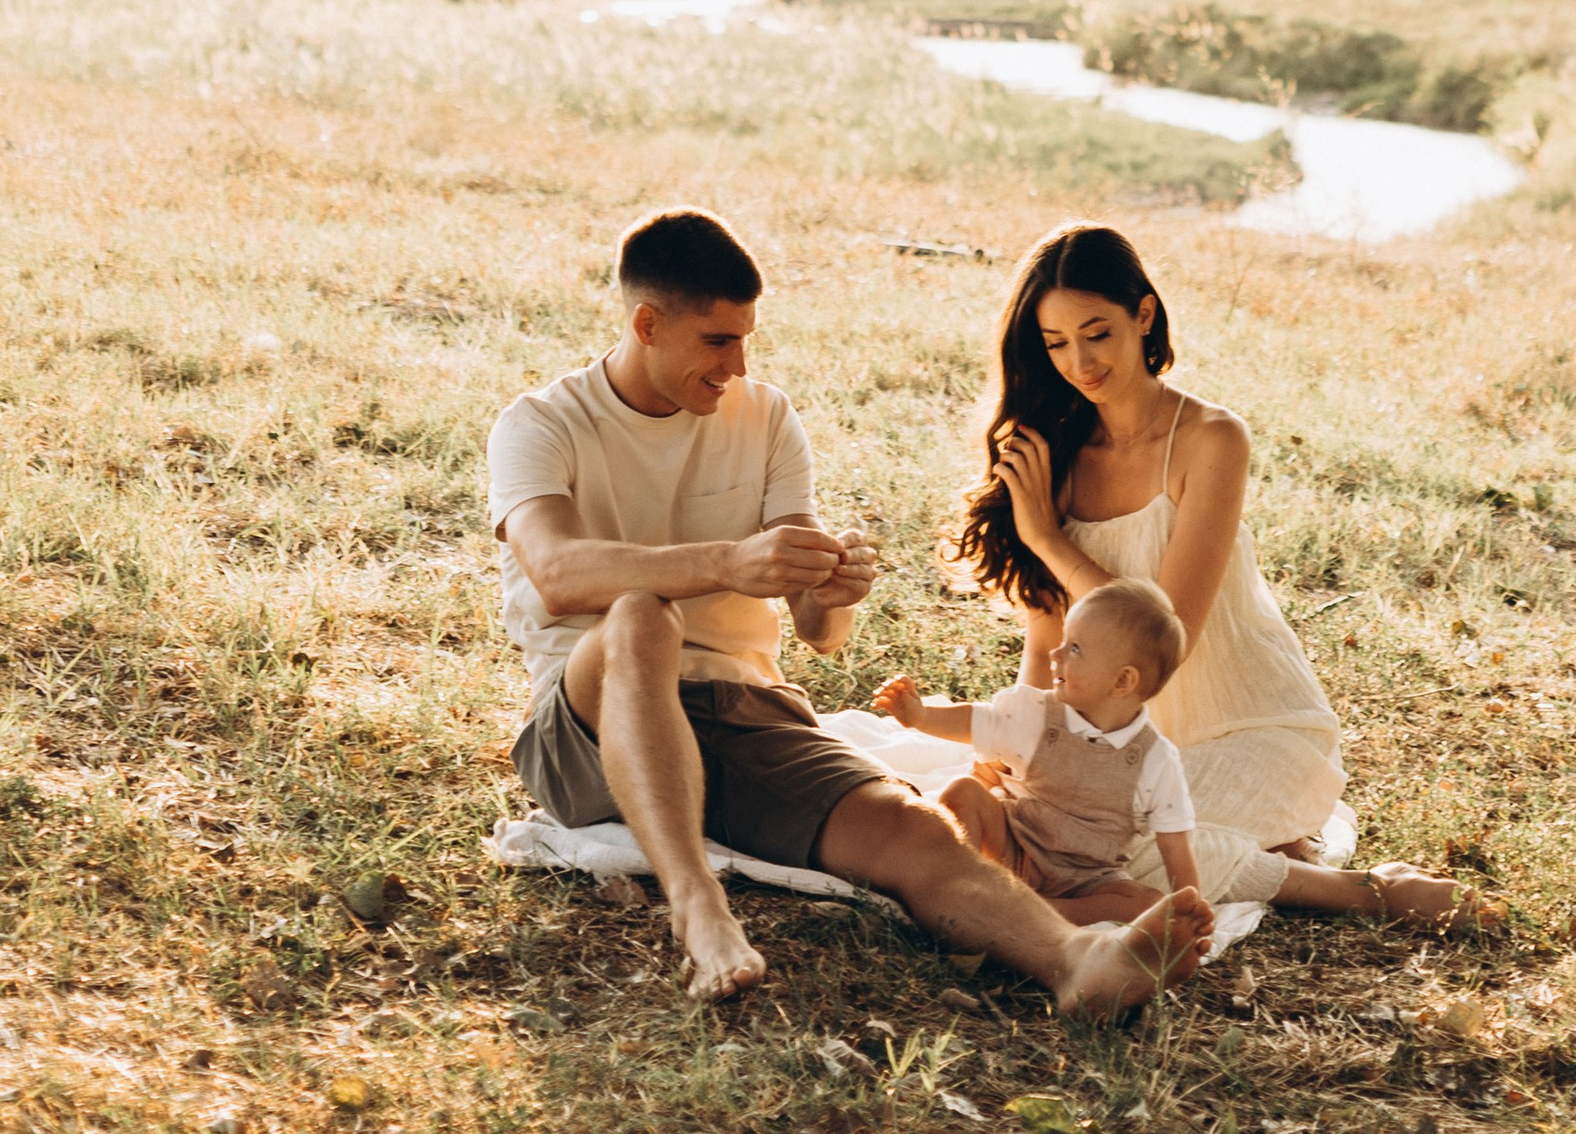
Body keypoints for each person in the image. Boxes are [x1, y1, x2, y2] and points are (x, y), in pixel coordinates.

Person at [486, 204, 1215, 1008]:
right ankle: (699, 906)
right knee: (642, 615)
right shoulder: (540, 423)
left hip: (744, 713)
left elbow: (819, 634)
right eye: (718, 341)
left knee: (907, 824)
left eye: (747, 339)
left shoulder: (764, 417)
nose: (737, 363)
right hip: (588, 725)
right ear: (649, 324)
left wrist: (829, 592)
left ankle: (1074, 960)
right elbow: (556, 571)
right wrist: (727, 560)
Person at [951, 221, 1493, 925]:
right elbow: (1048, 636)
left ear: (1144, 315)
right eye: (1056, 344)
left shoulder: (1211, 439)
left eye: (1098, 333)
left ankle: (1361, 889)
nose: (1079, 362)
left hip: (1254, 728)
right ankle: (1274, 849)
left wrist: (1050, 541)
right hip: (1118, 744)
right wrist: (1021, 739)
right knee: (1032, 829)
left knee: (1110, 848)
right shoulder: (1055, 449)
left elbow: (1163, 636)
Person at [872, 575, 1199, 926]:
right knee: (964, 793)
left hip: (1086, 880)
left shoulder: (1156, 759)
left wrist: (1193, 912)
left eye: (1075, 648)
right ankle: (959, 885)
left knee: (1146, 902)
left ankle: (1034, 909)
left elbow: (1175, 847)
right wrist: (921, 717)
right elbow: (974, 721)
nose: (1055, 653)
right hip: (1014, 847)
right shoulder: (1037, 713)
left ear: (1122, 681)